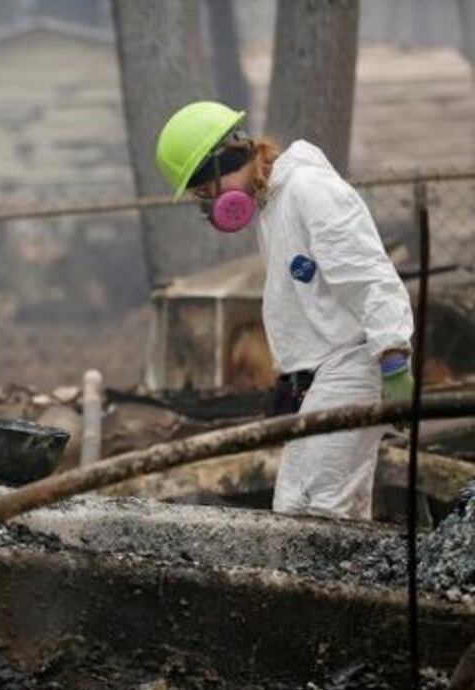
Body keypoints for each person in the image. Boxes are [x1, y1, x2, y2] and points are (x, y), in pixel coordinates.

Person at [155, 101, 414, 520]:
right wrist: (292, 379)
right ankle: (356, 583)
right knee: (301, 504)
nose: (207, 206)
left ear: (224, 164)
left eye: (205, 193)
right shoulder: (272, 206)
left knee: (318, 508)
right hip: (324, 372)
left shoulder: (311, 191)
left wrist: (394, 358)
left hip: (352, 362)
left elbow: (368, 275)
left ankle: (325, 584)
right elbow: (306, 302)